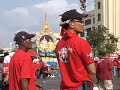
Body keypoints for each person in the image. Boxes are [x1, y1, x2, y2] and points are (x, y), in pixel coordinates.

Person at [55, 9, 96, 90]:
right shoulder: (81, 43)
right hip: (80, 86)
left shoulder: (58, 45)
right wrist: (90, 84)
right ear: (71, 24)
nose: (83, 24)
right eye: (80, 21)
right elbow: (92, 71)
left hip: (64, 87)